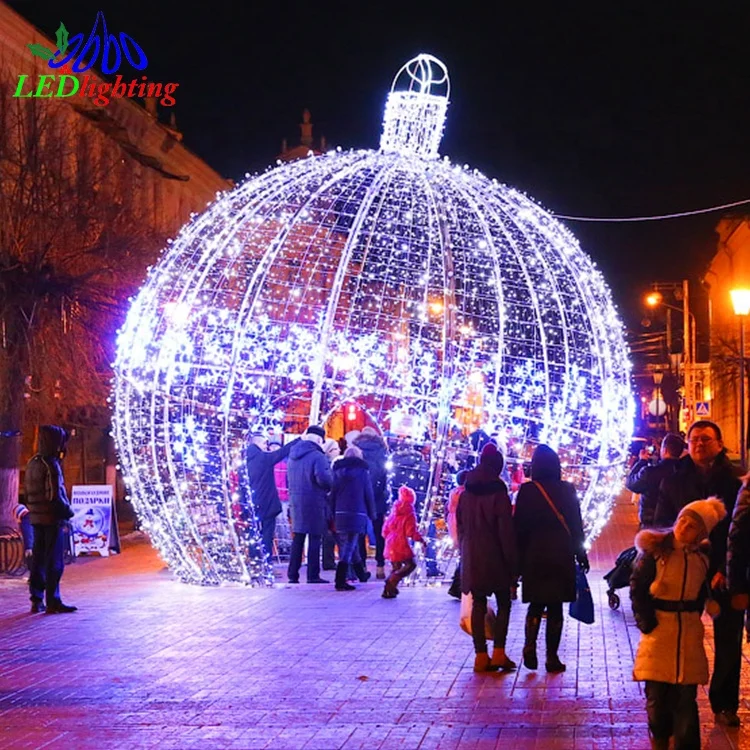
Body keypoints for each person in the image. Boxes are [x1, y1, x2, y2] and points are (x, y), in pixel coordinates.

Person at [655, 420, 742, 727]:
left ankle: (725, 703)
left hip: (724, 570)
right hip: (685, 569)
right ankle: (677, 697)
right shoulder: (674, 480)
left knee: (729, 638)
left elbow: (739, 530)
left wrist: (725, 569)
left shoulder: (734, 483)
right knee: (678, 633)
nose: (699, 444)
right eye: (694, 440)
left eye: (706, 439)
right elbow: (662, 522)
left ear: (719, 444)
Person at [630, 499, 727, 749]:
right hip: (659, 631)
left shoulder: (701, 559)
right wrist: (647, 622)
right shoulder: (656, 552)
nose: (684, 527)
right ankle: (660, 737)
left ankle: (686, 743)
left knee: (686, 697)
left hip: (687, 633)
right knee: (657, 696)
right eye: (682, 520)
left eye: (692, 525)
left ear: (701, 534)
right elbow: (638, 588)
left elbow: (702, 590)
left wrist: (705, 604)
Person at [514, 444, 588, 673]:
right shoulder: (567, 489)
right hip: (561, 554)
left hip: (534, 555)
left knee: (536, 604)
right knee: (555, 607)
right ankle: (552, 657)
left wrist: (517, 560)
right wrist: (581, 552)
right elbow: (575, 523)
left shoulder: (527, 491)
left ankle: (529, 645)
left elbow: (518, 527)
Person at [457, 443, 517, 672]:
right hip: (496, 556)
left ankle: (480, 655)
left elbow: (461, 528)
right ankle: (499, 653)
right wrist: (513, 564)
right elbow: (506, 531)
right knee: (504, 603)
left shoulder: (466, 493)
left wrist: (466, 551)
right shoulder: (498, 492)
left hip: (473, 555)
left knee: (478, 604)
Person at [24, 425, 76, 614]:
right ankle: (53, 600)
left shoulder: (32, 462)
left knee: (38, 559)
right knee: (54, 561)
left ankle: (36, 599)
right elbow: (55, 495)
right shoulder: (51, 464)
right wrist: (68, 512)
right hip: (52, 519)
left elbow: (29, 492)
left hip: (37, 518)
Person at [286, 425, 333, 584]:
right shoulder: (317, 456)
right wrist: (331, 483)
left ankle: (293, 574)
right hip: (314, 502)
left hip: (296, 502)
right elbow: (323, 479)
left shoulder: (292, 455)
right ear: (320, 440)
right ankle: (313, 575)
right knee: (314, 538)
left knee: (298, 538)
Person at [245, 433, 298, 560]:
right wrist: (300, 439)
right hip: (267, 503)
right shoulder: (263, 458)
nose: (266, 447)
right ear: (257, 444)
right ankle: (266, 563)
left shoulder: (245, 461)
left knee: (254, 533)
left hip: (252, 504)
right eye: (264, 444)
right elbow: (282, 452)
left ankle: (255, 561)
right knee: (267, 535)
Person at [329, 446, 375, 591]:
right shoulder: (363, 473)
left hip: (340, 513)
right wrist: (372, 513)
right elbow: (368, 493)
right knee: (349, 545)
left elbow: (333, 494)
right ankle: (340, 579)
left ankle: (361, 574)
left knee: (350, 543)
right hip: (357, 512)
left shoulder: (337, 472)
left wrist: (332, 512)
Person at [626, 433, 684, 528]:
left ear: (664, 450)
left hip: (651, 525)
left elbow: (631, 483)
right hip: (677, 524)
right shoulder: (684, 472)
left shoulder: (650, 473)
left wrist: (642, 461)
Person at [354, 427, 390, 579]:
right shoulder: (382, 451)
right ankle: (380, 566)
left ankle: (361, 565)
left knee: (360, 533)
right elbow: (385, 475)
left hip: (360, 497)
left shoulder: (355, 450)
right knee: (379, 533)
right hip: (378, 498)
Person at [381, 485, 424, 598]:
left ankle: (389, 590)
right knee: (411, 565)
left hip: (390, 542)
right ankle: (392, 580)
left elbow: (385, 529)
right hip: (400, 543)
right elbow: (411, 532)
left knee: (396, 566)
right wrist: (421, 539)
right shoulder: (410, 513)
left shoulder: (394, 511)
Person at [322, 438, 343, 570]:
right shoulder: (329, 466)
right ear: (329, 451)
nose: (339, 450)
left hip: (329, 503)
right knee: (332, 533)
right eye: (336, 448)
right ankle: (330, 561)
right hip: (329, 503)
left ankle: (329, 561)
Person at [446, 470, 467, 599]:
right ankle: (457, 586)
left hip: (453, 523)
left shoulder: (454, 492)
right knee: (465, 557)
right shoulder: (463, 493)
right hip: (459, 525)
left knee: (463, 556)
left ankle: (457, 585)